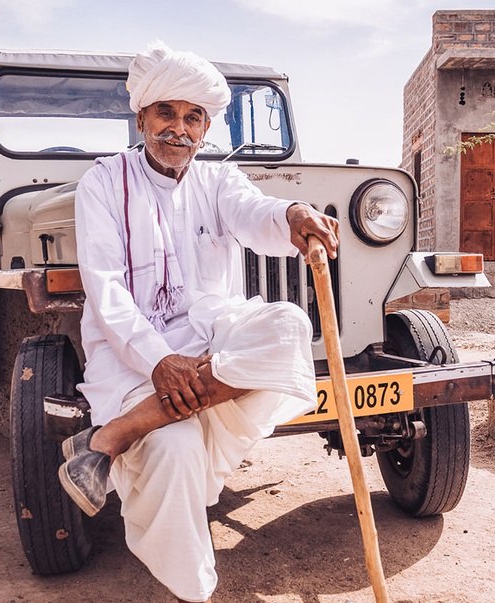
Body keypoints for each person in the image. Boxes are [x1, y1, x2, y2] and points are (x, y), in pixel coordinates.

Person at [58, 41, 340, 603]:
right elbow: (106, 290)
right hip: (132, 354)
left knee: (286, 324)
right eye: (166, 113)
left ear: (207, 128)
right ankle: (194, 592)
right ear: (141, 116)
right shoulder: (103, 183)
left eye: (193, 118)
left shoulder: (217, 180)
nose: (179, 129)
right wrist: (160, 360)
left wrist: (291, 214)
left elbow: (256, 213)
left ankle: (111, 436)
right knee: (175, 451)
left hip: (213, 345)